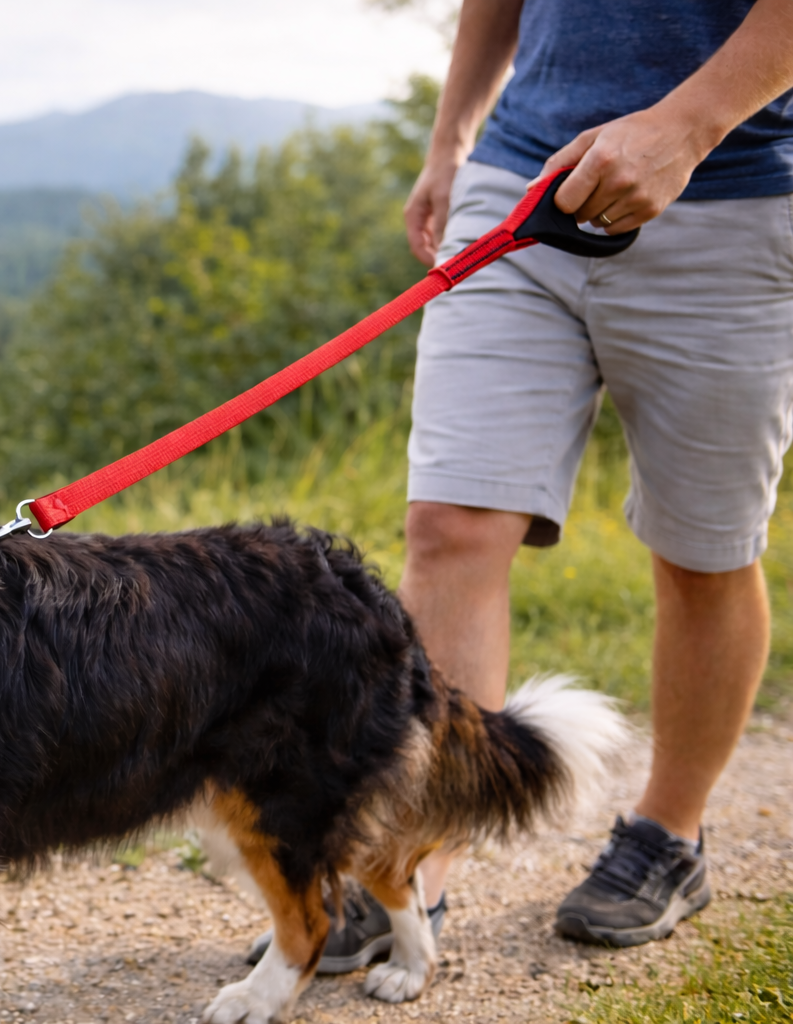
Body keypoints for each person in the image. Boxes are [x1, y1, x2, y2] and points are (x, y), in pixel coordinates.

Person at [250, 0, 793, 973]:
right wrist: (453, 137)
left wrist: (684, 126)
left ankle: (668, 832)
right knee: (452, 524)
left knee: (704, 549)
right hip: (523, 181)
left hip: (738, 194)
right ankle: (409, 874)